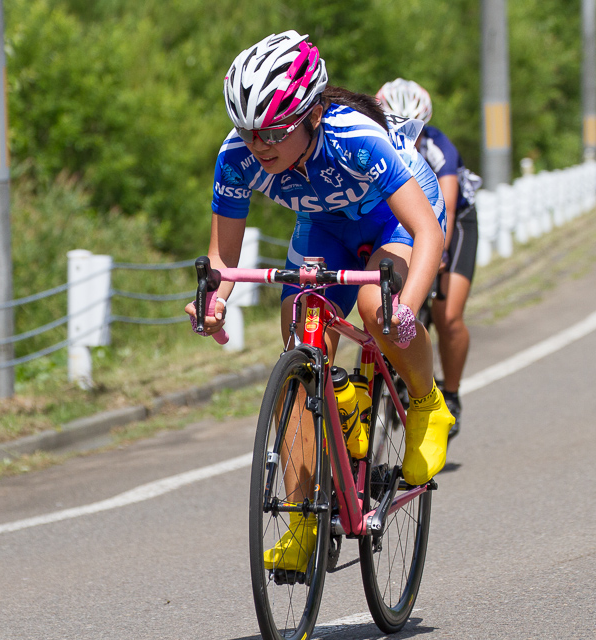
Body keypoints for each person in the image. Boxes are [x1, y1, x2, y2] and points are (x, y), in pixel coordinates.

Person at [186, 31, 454, 572]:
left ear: (310, 116)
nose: (259, 146)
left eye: (273, 133)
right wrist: (214, 300)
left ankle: (427, 403)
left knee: (379, 309)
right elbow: (222, 258)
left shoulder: (353, 139)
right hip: (324, 225)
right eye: (249, 131)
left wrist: (407, 312)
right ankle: (304, 516)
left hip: (395, 217)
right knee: (300, 329)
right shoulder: (237, 156)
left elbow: (427, 231)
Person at [375, 78, 482, 438]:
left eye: (413, 132)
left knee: (447, 315)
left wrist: (437, 257)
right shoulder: (373, 145)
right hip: (406, 220)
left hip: (453, 223)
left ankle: (450, 395)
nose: (405, 138)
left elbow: (447, 209)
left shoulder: (440, 148)